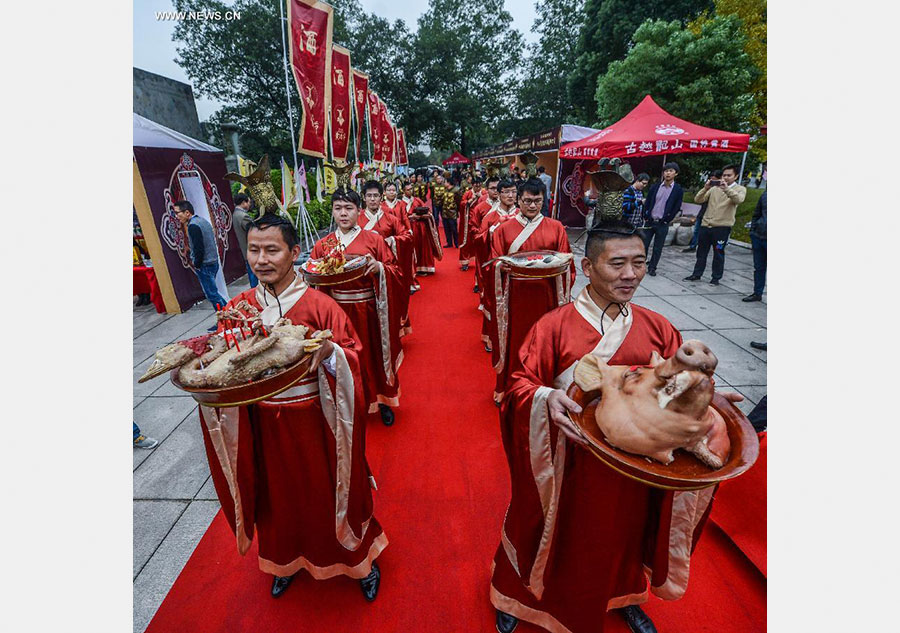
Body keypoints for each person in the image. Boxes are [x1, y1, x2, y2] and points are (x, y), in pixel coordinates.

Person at [490, 219, 743, 633]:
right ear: (587, 267)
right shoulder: (553, 326)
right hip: (570, 460)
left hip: (638, 462)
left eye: (639, 263)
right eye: (618, 263)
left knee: (623, 532)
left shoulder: (658, 327)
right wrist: (544, 397)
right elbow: (518, 384)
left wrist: (708, 400)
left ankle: (621, 594)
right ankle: (517, 594)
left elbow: (678, 388)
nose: (630, 275)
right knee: (553, 529)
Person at [199, 213, 386, 600]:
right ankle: (284, 559)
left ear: (294, 252)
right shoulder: (239, 308)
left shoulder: (320, 306)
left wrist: (333, 352)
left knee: (330, 493)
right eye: (254, 250)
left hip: (318, 423)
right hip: (262, 424)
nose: (261, 260)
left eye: (272, 250)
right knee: (276, 499)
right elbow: (223, 362)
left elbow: (355, 358)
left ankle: (359, 560)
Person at [310, 188, 405, 426]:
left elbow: (396, 270)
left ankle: (382, 400)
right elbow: (313, 279)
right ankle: (349, 404)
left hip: (368, 309)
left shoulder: (373, 239)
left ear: (358, 211)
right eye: (338, 208)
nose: (343, 214)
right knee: (342, 359)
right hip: (336, 312)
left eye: (348, 208)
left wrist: (379, 269)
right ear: (332, 211)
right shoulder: (323, 245)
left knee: (372, 355)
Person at [488, 178, 575, 404]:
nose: (533, 206)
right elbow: (494, 262)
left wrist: (561, 267)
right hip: (515, 298)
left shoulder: (556, 228)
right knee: (515, 341)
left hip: (547, 296)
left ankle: (544, 385)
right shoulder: (504, 229)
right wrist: (502, 267)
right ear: (518, 200)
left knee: (545, 341)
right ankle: (509, 386)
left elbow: (567, 263)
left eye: (537, 201)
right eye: (527, 201)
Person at [361, 180, 414, 336]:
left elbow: (407, 236)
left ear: (380, 197)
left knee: (390, 301)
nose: (372, 199)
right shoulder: (357, 219)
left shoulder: (391, 218)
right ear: (364, 198)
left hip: (387, 268)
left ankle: (393, 331)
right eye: (369, 196)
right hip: (365, 269)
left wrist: (393, 241)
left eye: (375, 196)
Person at [684, 164, 747, 286]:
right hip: (706, 225)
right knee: (701, 252)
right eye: (724, 175)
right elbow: (698, 199)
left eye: (729, 175)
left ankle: (716, 277)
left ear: (736, 176)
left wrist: (726, 189)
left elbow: (738, 200)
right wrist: (706, 188)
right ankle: (697, 273)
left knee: (718, 252)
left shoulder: (740, 189)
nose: (726, 178)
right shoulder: (714, 188)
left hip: (722, 227)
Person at [476, 179, 519, 353]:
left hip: (517, 267)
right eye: (506, 192)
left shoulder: (521, 215)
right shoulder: (490, 217)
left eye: (514, 192)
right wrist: (494, 229)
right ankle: (491, 337)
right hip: (495, 266)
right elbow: (478, 240)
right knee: (494, 302)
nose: (511, 196)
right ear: (499, 194)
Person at [174, 200, 228, 330]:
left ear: (187, 212)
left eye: (177, 213)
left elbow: (199, 249)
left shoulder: (193, 226)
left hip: (205, 265)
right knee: (214, 293)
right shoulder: (202, 221)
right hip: (212, 262)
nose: (176, 216)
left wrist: (196, 264)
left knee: (212, 295)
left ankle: (225, 321)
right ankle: (229, 315)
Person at [640, 162, 684, 276]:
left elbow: (676, 206)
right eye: (666, 171)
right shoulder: (656, 186)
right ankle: (640, 265)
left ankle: (652, 267)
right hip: (650, 221)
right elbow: (648, 201)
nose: (668, 173)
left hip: (662, 223)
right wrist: (646, 214)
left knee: (657, 247)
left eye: (670, 171)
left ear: (676, 173)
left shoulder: (678, 190)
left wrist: (667, 219)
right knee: (643, 245)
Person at [469, 176, 500, 294]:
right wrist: (485, 235)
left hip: (500, 246)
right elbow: (473, 227)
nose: (496, 191)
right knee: (482, 266)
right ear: (486, 190)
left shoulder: (507, 207)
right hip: (484, 243)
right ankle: (480, 285)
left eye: (498, 188)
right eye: (492, 188)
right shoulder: (480, 208)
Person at [407, 181, 444, 276]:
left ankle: (423, 267)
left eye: (411, 189)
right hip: (408, 228)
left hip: (421, 227)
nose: (410, 191)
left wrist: (424, 215)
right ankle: (411, 268)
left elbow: (428, 211)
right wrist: (410, 217)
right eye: (407, 190)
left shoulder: (417, 200)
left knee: (423, 247)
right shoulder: (400, 203)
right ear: (403, 191)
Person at [682, 170, 721, 253]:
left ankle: (713, 249)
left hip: (714, 217)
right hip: (702, 213)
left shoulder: (721, 191)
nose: (713, 183)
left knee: (712, 238)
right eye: (711, 180)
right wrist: (705, 188)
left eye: (715, 180)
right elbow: (697, 199)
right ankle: (693, 246)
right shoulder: (707, 189)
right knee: (696, 231)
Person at [743, 189, 767, 302]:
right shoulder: (765, 195)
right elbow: (756, 214)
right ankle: (757, 293)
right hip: (759, 236)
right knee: (759, 267)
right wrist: (753, 232)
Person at [232, 193, 258, 288]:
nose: (249, 205)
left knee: (253, 275)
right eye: (248, 202)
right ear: (243, 202)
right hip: (251, 250)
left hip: (246, 251)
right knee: (254, 277)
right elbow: (254, 232)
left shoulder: (235, 214)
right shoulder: (243, 216)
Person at [441, 182, 460, 249]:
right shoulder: (445, 190)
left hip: (452, 213)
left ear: (449, 183)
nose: (444, 183)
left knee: (454, 229)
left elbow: (458, 201)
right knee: (446, 229)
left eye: (445, 182)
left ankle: (457, 243)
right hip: (444, 212)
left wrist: (457, 211)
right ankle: (449, 243)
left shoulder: (456, 190)